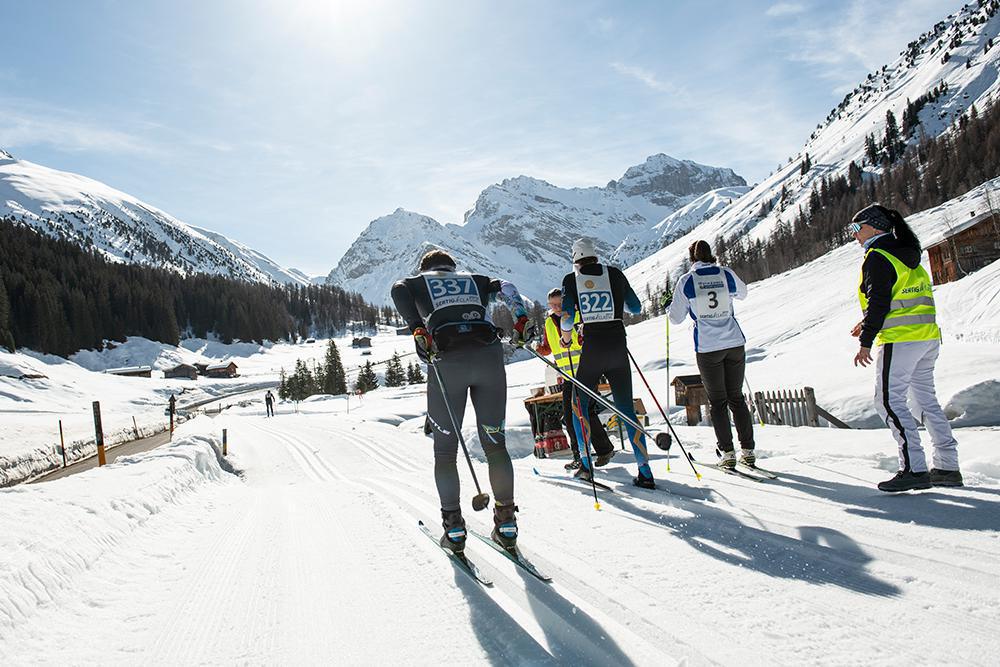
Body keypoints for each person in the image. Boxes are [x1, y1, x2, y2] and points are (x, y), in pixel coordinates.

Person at [391, 249, 534, 552]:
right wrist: (520, 317)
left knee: (445, 453)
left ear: (426, 269)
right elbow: (507, 287)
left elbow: (398, 289)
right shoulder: (477, 280)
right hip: (489, 359)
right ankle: (506, 523)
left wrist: (417, 326)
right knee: (496, 445)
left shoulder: (418, 282)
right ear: (453, 269)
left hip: (447, 362)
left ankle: (454, 529)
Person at [849, 203, 961, 492]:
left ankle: (914, 468)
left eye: (856, 228)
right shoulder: (909, 255)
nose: (854, 235)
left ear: (874, 227)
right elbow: (902, 298)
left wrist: (866, 341)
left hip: (900, 340)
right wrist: (867, 323)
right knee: (924, 401)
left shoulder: (877, 256)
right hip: (927, 338)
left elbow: (880, 302)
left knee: (888, 401)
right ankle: (947, 466)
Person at [560, 238, 655, 489]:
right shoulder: (614, 273)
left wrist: (566, 336)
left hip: (593, 347)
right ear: (595, 256)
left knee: (578, 405)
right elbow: (635, 308)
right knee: (626, 408)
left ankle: (585, 466)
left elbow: (567, 320)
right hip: (617, 345)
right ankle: (645, 470)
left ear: (576, 260)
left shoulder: (572, 280)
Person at [668, 240, 755, 470]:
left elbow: (675, 318)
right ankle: (748, 450)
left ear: (692, 259)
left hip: (708, 347)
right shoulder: (725, 273)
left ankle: (727, 452)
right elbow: (743, 293)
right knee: (736, 397)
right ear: (711, 256)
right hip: (734, 341)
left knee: (718, 402)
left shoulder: (687, 281)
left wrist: (675, 304)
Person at [535, 287, 615, 470]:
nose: (556, 308)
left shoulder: (577, 316)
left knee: (580, 413)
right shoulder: (548, 323)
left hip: (585, 371)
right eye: (552, 305)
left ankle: (591, 453)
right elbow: (547, 348)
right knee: (572, 415)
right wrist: (536, 347)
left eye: (559, 304)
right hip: (567, 375)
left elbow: (586, 341)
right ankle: (593, 451)